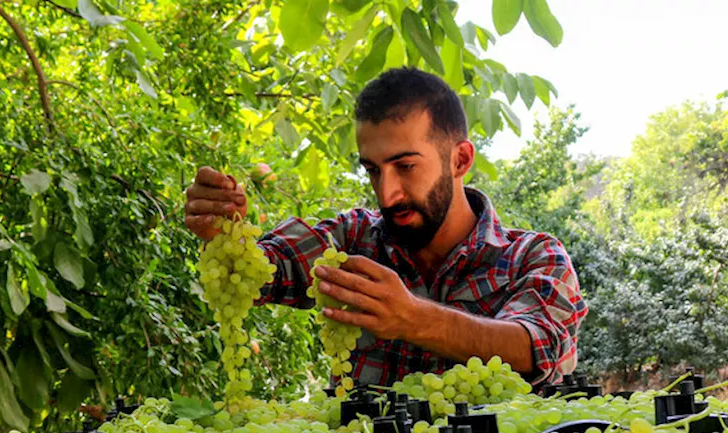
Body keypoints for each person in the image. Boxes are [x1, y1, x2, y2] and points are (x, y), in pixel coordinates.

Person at [183, 66, 587, 390]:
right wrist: (224, 236)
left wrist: (413, 318)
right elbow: (261, 272)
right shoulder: (350, 240)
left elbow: (539, 346)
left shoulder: (533, 257)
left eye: (406, 166)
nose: (387, 193)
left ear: (460, 160)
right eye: (373, 170)